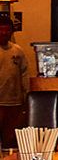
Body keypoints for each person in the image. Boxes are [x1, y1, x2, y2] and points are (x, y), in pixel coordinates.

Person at [0, 13, 34, 147]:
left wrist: (27, 95)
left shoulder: (17, 51)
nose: (4, 33)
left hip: (14, 103)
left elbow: (25, 74)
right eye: (1, 29)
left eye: (7, 30)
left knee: (11, 139)